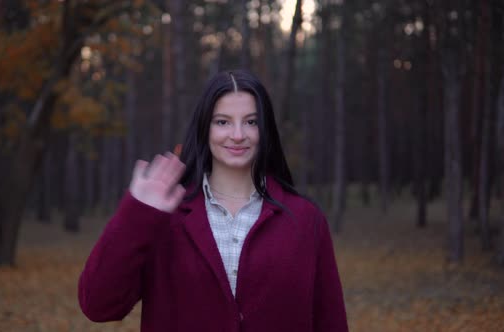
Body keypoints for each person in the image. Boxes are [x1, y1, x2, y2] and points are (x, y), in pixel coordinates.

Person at [78, 70, 348, 331]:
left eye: (251, 122)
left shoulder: (305, 219)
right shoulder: (163, 217)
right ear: (204, 128)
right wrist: (136, 216)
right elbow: (98, 306)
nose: (238, 134)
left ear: (265, 130)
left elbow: (330, 321)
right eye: (223, 122)